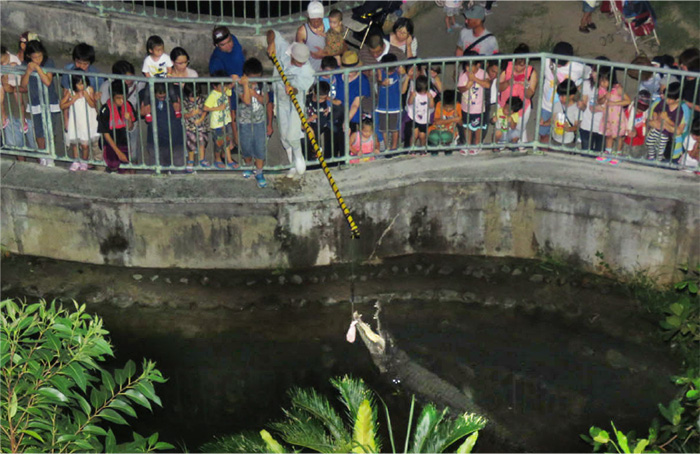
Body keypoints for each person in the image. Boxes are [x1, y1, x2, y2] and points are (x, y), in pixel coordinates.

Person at [266, 29, 315, 177]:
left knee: (293, 134)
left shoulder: (308, 71)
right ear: (292, 55)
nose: (300, 65)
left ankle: (299, 157)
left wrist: (292, 88)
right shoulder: (284, 47)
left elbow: (299, 89)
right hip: (280, 99)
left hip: (296, 100)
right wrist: (271, 43)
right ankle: (292, 164)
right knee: (284, 134)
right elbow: (271, 31)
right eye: (298, 63)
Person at [539, 41, 590, 144]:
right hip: (547, 105)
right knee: (543, 132)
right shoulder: (547, 61)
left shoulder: (579, 67)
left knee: (565, 133)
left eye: (561, 63)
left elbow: (588, 77)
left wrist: (578, 89)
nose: (558, 65)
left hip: (568, 106)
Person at [20, 39, 61, 163]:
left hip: (50, 101)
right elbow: (23, 85)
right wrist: (28, 71)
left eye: (39, 56)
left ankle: (50, 154)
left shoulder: (49, 62)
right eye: (34, 57)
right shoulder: (24, 64)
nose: (37, 59)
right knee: (39, 131)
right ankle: (42, 155)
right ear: (28, 56)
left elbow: (47, 82)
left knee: (50, 129)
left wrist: (37, 68)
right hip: (35, 102)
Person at [99, 60, 144, 164]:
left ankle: (132, 168)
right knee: (113, 155)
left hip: (131, 124)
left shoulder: (139, 84)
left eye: (130, 76)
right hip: (114, 127)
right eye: (125, 78)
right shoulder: (107, 86)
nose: (129, 81)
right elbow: (103, 107)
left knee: (132, 152)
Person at [237, 57, 271, 188]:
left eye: (257, 77)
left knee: (260, 147)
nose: (255, 80)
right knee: (246, 146)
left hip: (259, 121)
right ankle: (248, 165)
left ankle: (259, 172)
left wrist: (255, 94)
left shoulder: (263, 84)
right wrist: (246, 86)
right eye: (252, 77)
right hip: (244, 121)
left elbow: (266, 101)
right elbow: (246, 100)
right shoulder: (239, 85)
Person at [209, 26, 246, 149]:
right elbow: (219, 88)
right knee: (233, 115)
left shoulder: (234, 40)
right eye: (223, 44)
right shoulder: (216, 61)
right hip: (230, 92)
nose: (229, 45)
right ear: (217, 45)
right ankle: (235, 144)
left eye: (229, 41)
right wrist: (231, 81)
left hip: (244, 83)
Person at [60, 71, 100, 171]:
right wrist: (72, 100)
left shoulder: (89, 89)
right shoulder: (70, 92)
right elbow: (62, 105)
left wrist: (86, 96)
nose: (81, 86)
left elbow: (93, 105)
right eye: (79, 84)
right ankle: (76, 160)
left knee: (85, 144)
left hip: (87, 121)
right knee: (75, 143)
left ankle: (84, 161)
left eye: (83, 83)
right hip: (76, 121)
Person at [498, 43, 538, 142]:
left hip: (521, 107)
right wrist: (507, 83)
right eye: (516, 64)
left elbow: (530, 94)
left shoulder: (532, 72)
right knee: (503, 125)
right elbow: (499, 88)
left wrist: (526, 86)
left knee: (520, 127)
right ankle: (502, 142)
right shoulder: (507, 67)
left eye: (522, 65)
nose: (518, 68)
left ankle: (520, 142)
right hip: (505, 105)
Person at [646, 82, 690, 163]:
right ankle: (651, 157)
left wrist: (666, 120)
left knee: (662, 152)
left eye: (669, 98)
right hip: (657, 133)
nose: (666, 99)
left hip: (671, 146)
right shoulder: (660, 102)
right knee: (649, 142)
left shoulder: (682, 109)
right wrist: (655, 120)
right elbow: (649, 119)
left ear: (678, 99)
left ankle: (659, 160)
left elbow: (678, 130)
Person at [97, 80, 135, 173]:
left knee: (125, 167)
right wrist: (118, 152)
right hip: (109, 143)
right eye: (118, 98)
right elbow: (105, 133)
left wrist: (129, 119)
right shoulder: (105, 109)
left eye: (124, 98)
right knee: (113, 164)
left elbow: (130, 128)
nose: (122, 101)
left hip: (123, 142)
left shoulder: (128, 105)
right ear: (112, 96)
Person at [204, 70, 238, 169]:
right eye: (222, 86)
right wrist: (217, 108)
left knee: (227, 141)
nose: (225, 87)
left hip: (225, 121)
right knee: (219, 143)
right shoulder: (213, 94)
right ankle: (217, 159)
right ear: (215, 86)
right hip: (217, 124)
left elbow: (231, 86)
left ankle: (229, 159)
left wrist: (233, 79)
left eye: (225, 85)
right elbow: (206, 107)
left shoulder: (225, 89)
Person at [145, 82, 184, 168]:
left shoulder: (175, 91)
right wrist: (147, 110)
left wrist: (177, 106)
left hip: (175, 140)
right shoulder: (147, 97)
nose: (162, 98)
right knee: (157, 171)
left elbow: (182, 107)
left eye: (164, 96)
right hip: (155, 141)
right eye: (159, 96)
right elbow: (141, 111)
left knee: (178, 170)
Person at [457, 53, 490, 155]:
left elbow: (487, 84)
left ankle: (477, 144)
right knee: (467, 127)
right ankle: (467, 144)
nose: (468, 68)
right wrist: (467, 86)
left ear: (478, 65)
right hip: (466, 107)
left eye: (471, 66)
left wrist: (474, 79)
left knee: (478, 127)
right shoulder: (463, 74)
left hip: (479, 108)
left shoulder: (482, 73)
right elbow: (460, 88)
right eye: (467, 66)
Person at [598, 66, 631, 155]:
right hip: (607, 116)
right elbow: (599, 101)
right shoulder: (601, 90)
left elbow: (628, 100)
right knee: (608, 135)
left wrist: (615, 103)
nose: (602, 83)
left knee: (619, 136)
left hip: (617, 117)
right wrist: (604, 97)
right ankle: (607, 152)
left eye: (604, 81)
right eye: (601, 81)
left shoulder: (618, 88)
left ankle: (618, 153)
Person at [336, 50, 371, 134]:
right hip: (334, 115)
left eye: (352, 70)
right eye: (346, 70)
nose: (349, 73)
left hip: (351, 117)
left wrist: (346, 122)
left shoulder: (363, 81)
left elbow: (355, 105)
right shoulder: (336, 74)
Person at [578, 56, 608, 153]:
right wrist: (581, 105)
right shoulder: (587, 84)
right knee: (586, 154)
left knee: (599, 154)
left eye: (595, 70)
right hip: (587, 126)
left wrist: (602, 109)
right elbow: (584, 106)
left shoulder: (610, 87)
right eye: (592, 70)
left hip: (602, 128)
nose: (592, 73)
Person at [375, 54, 403, 152]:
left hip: (395, 107)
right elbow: (376, 86)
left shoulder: (398, 73)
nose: (389, 71)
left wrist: (404, 74)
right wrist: (381, 82)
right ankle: (387, 147)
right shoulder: (380, 72)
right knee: (383, 129)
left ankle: (394, 147)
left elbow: (403, 89)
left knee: (395, 128)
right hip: (382, 107)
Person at [181, 83, 210, 173]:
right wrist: (191, 114)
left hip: (202, 126)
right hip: (190, 127)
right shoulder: (184, 102)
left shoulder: (203, 100)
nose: (195, 98)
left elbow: (206, 110)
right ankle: (191, 161)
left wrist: (201, 117)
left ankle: (202, 159)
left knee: (202, 141)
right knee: (190, 145)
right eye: (192, 97)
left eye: (196, 96)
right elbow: (183, 114)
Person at [547, 80, 581, 150]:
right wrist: (544, 123)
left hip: (568, 141)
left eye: (563, 96)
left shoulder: (576, 108)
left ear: (571, 96)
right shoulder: (556, 105)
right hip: (555, 138)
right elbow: (552, 119)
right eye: (559, 95)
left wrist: (568, 129)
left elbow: (577, 126)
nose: (560, 98)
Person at [303, 81, 332, 162]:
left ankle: (316, 149)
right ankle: (311, 152)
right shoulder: (308, 98)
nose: (322, 100)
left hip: (319, 124)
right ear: (314, 93)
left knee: (313, 132)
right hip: (311, 123)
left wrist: (305, 122)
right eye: (320, 98)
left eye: (324, 98)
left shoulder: (323, 105)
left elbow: (314, 116)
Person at [428, 89, 461, 155]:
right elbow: (437, 122)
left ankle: (447, 148)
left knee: (445, 136)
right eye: (446, 107)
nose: (448, 110)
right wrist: (453, 119)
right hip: (437, 128)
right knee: (434, 136)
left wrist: (457, 117)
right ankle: (434, 148)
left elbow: (461, 122)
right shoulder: (439, 105)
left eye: (451, 108)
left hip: (450, 130)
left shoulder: (458, 106)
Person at [296, 1, 326, 71]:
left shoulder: (330, 25)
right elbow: (298, 54)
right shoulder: (302, 31)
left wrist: (325, 54)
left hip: (329, 75)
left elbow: (343, 47)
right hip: (312, 74)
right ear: (308, 16)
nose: (316, 22)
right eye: (313, 19)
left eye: (318, 19)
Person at [406, 75, 435, 149]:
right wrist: (412, 96)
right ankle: (412, 148)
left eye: (424, 91)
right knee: (414, 135)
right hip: (414, 117)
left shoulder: (430, 94)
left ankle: (423, 148)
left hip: (424, 119)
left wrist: (431, 98)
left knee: (422, 136)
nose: (422, 93)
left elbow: (431, 106)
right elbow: (409, 103)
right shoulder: (414, 93)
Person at [621, 90, 651, 159]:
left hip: (640, 143)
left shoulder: (646, 114)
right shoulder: (628, 111)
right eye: (639, 106)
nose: (640, 109)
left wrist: (636, 132)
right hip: (626, 142)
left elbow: (645, 130)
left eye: (644, 107)